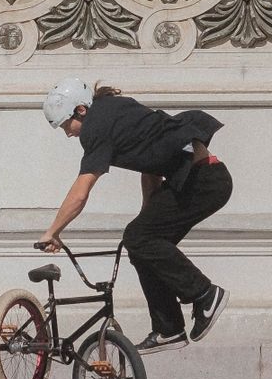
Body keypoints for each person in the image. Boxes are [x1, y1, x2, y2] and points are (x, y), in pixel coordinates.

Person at [38, 78, 231, 356]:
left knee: (138, 237)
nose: (67, 133)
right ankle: (169, 328)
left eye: (66, 125)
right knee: (140, 245)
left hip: (203, 181)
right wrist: (146, 217)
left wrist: (53, 232)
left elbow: (80, 192)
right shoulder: (113, 108)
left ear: (80, 110)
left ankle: (205, 295)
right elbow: (151, 166)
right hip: (203, 179)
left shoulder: (96, 127)